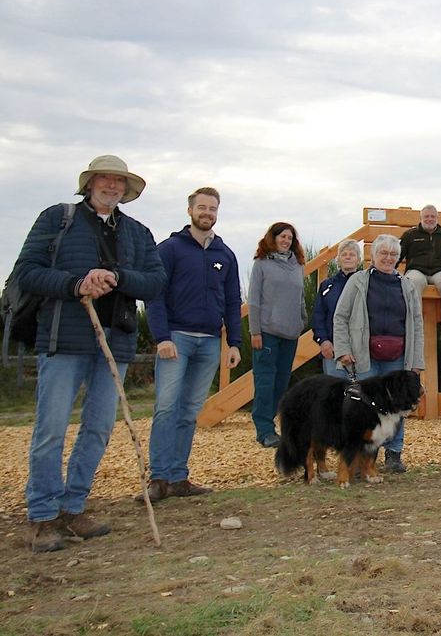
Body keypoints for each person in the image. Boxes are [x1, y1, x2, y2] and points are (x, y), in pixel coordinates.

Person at [15, 155, 165, 553]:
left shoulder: (137, 232)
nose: (112, 187)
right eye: (105, 179)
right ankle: (41, 516)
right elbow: (26, 271)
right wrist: (76, 283)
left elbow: (155, 282)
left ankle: (73, 507)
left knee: (98, 429)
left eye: (119, 182)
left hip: (114, 342)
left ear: (126, 190)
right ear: (90, 183)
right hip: (63, 339)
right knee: (51, 429)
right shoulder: (56, 219)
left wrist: (118, 278)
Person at [143, 187, 242, 502]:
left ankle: (178, 477)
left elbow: (231, 301)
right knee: (166, 407)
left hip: (210, 342)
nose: (207, 213)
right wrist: (162, 337)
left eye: (212, 209)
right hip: (177, 339)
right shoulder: (169, 249)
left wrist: (235, 343)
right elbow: (155, 296)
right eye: (202, 207)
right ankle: (157, 479)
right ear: (190, 211)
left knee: (189, 412)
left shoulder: (225, 255)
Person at [332, 234, 424, 473]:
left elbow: (417, 323)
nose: (388, 258)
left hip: (397, 355)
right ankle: (358, 458)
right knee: (361, 409)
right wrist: (342, 349)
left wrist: (416, 361)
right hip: (364, 356)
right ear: (373, 256)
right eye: (383, 253)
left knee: (399, 405)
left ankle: (394, 453)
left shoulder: (407, 285)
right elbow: (340, 316)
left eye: (393, 254)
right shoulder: (358, 281)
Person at [248, 222, 306, 449]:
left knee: (281, 383)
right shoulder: (261, 264)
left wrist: (302, 320)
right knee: (265, 382)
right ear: (272, 238)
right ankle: (264, 429)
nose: (286, 241)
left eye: (289, 238)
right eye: (282, 236)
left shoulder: (298, 265)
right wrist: (255, 331)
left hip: (290, 333)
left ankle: (270, 423)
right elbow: (253, 300)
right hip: (267, 332)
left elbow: (300, 296)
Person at [399, 205, 441, 346]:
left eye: (432, 216)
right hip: (416, 270)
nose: (429, 219)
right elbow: (398, 255)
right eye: (426, 216)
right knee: (413, 281)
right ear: (421, 218)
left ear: (437, 218)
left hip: (438, 271)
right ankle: (413, 324)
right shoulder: (410, 235)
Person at [312, 239, 362, 377]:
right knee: (333, 394)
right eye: (344, 254)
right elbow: (318, 316)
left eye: (352, 254)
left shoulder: (366, 285)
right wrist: (323, 341)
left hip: (360, 352)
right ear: (338, 259)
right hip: (332, 350)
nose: (347, 257)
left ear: (358, 260)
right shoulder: (327, 286)